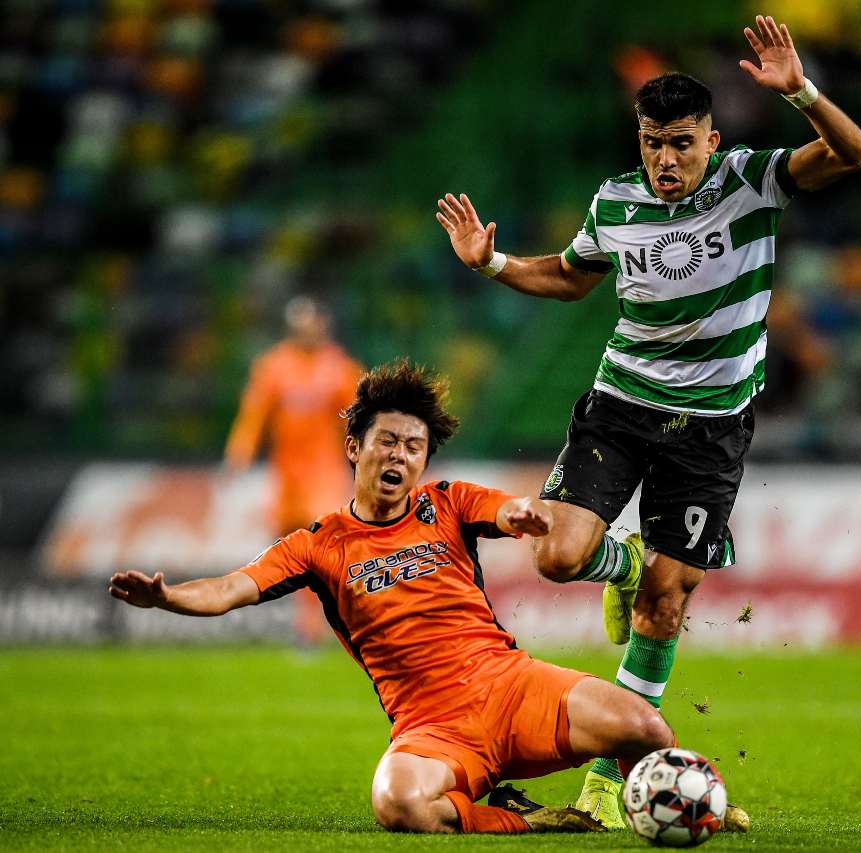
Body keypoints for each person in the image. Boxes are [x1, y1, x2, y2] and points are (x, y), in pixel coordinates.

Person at [434, 13, 861, 826]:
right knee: (557, 556)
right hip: (621, 407)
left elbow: (852, 155)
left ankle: (607, 782)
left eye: (681, 144)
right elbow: (571, 277)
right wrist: (491, 262)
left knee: (666, 603)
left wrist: (802, 93)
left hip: (712, 427)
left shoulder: (750, 180)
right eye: (651, 143)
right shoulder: (616, 201)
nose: (665, 160)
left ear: (711, 141)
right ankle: (622, 562)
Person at [110, 360, 675, 835]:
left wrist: (521, 512)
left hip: (512, 688)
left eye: (413, 447)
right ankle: (526, 821)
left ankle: (682, 806)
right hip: (433, 729)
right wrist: (168, 597)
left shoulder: (448, 502)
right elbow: (228, 588)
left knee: (647, 729)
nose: (400, 456)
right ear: (354, 448)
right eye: (387, 441)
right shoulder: (318, 545)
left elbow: (504, 508)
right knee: (398, 801)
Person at [224, 296, 364, 645]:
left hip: (324, 473)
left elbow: (360, 418)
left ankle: (317, 627)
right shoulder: (274, 367)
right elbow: (255, 413)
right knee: (293, 551)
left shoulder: (340, 368)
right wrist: (239, 452)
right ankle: (310, 625)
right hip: (286, 476)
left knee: (321, 546)